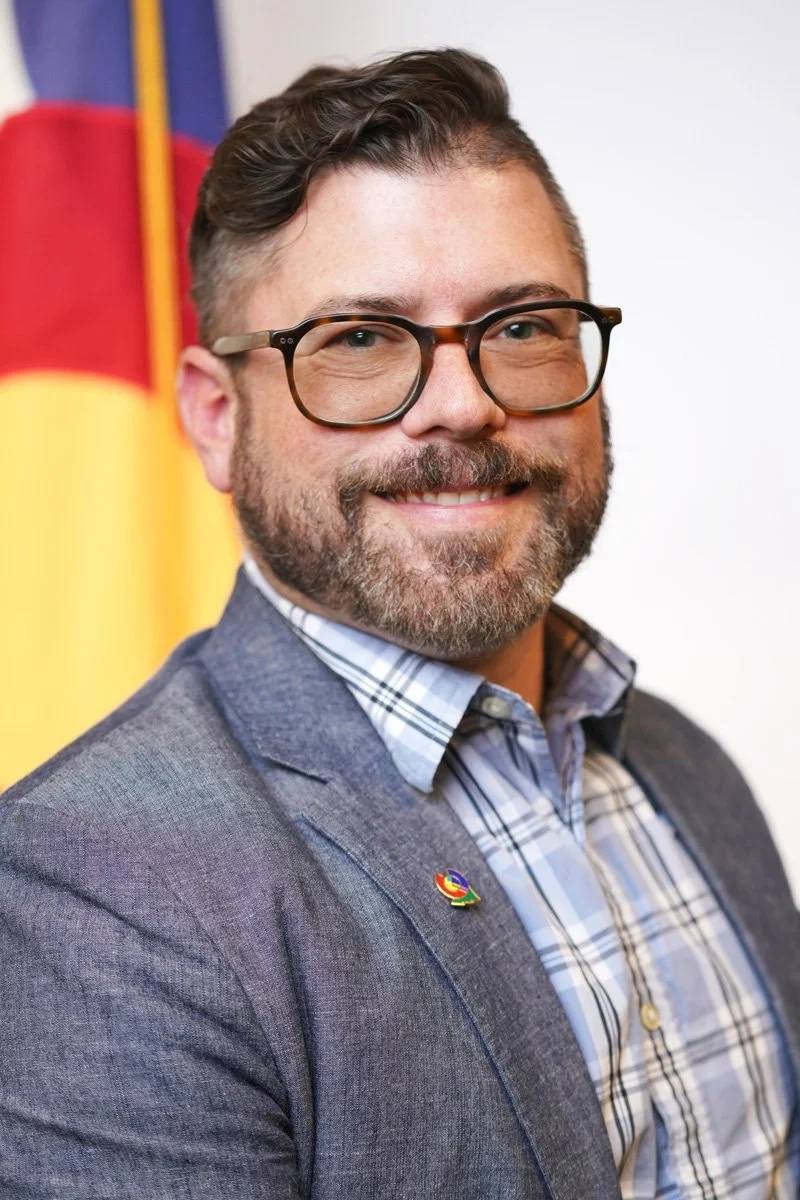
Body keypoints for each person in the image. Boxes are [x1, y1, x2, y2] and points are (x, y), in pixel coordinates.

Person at [1, 48, 797, 1200]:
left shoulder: (681, 763)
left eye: (520, 326)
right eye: (361, 341)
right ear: (216, 418)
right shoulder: (90, 893)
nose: (464, 404)